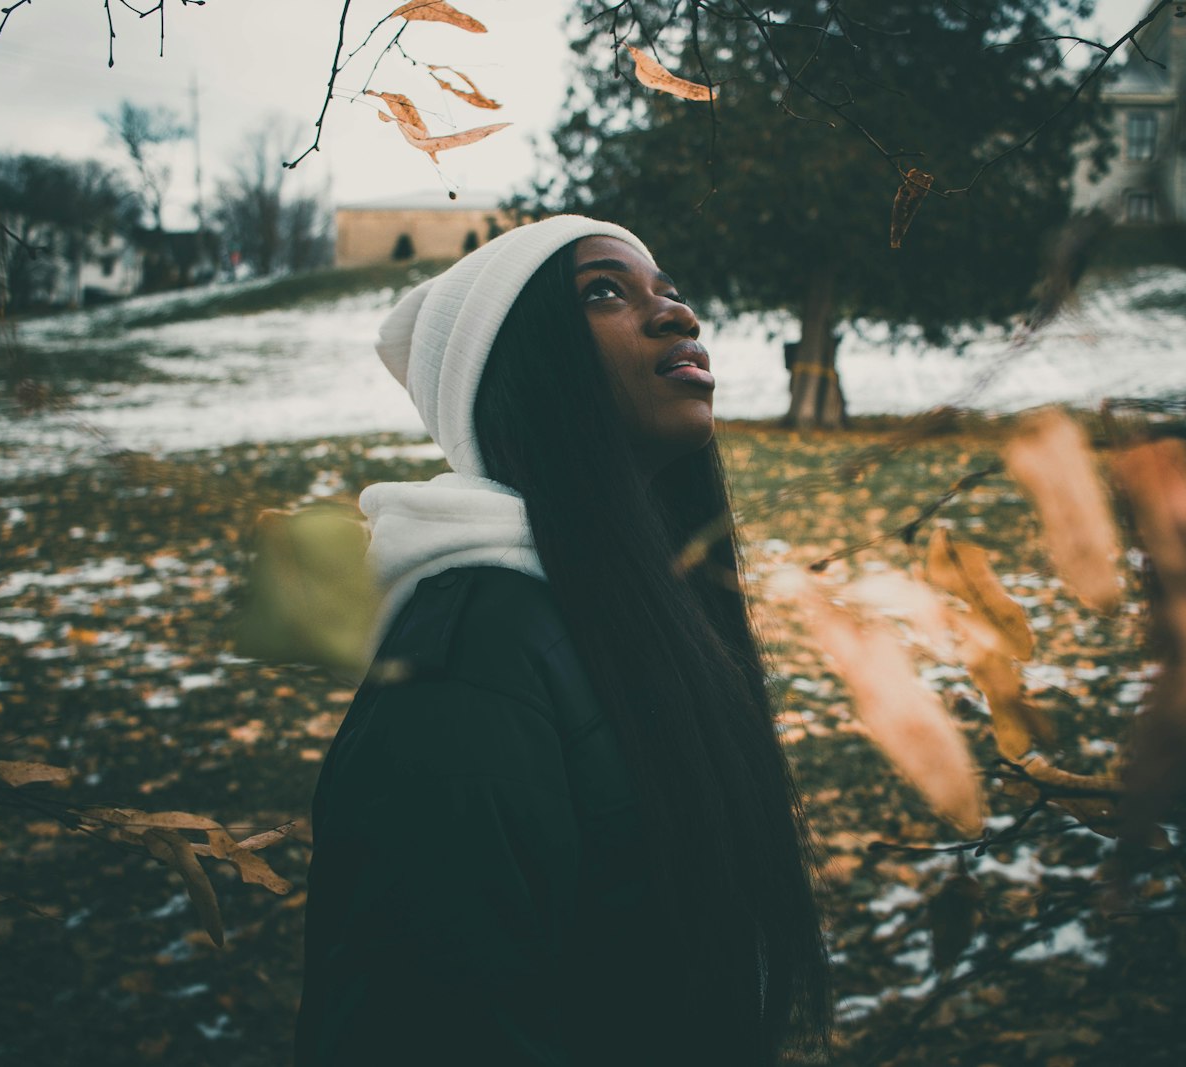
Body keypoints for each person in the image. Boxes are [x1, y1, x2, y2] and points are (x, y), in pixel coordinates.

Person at [294, 215, 832, 1065]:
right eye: (605, 292)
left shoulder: (640, 609)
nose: (676, 316)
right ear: (519, 375)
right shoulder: (469, 669)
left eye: (671, 292)